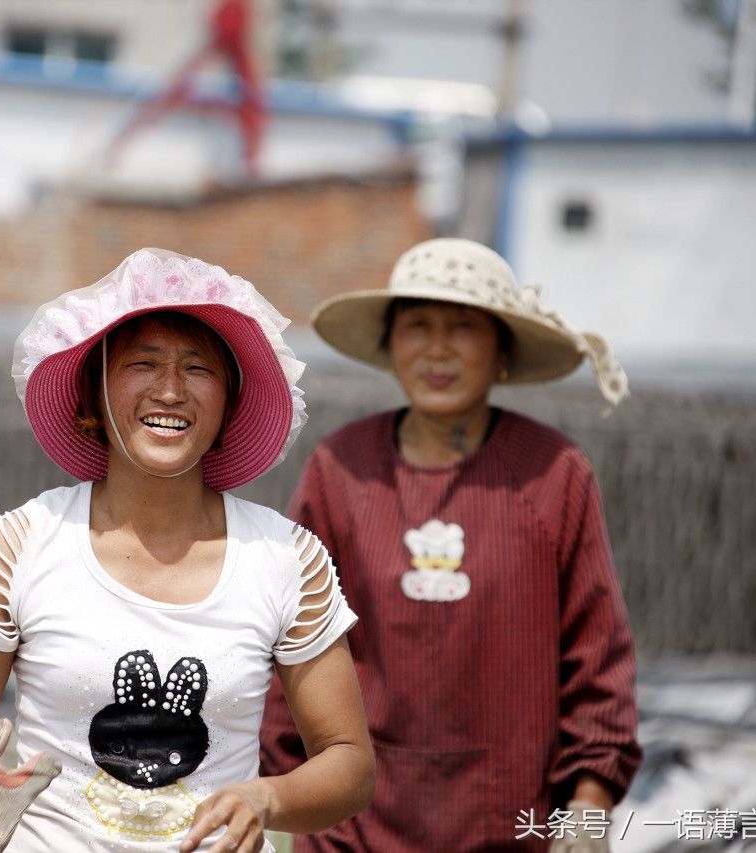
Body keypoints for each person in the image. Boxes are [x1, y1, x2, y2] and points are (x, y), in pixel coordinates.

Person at [0, 247, 376, 853]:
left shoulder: (285, 561)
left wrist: (266, 797)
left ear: (229, 406)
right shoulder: (21, 544)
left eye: (198, 369)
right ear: (94, 399)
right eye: (142, 364)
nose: (170, 390)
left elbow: (351, 765)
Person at [259, 238, 642, 852]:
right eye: (417, 325)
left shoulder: (554, 474)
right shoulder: (341, 469)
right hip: (353, 829)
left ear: (502, 349)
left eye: (463, 326)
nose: (438, 348)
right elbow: (292, 648)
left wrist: (588, 810)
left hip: (514, 823)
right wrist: (282, 795)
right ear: (391, 345)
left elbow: (597, 656)